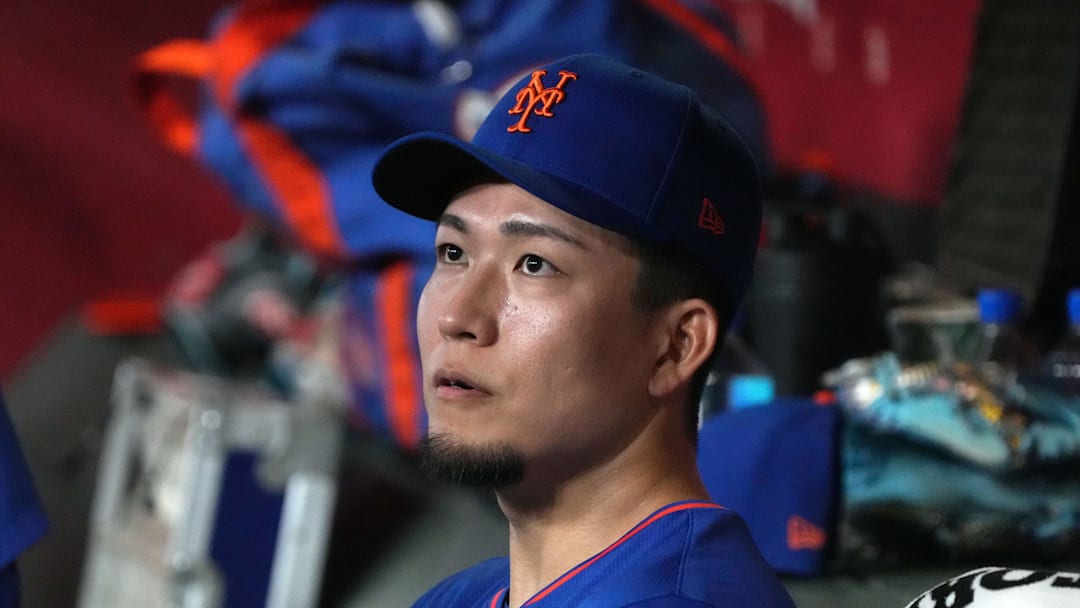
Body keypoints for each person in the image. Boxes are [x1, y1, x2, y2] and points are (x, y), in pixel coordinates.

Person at [371, 53, 795, 607]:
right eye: (453, 252)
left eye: (534, 264)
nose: (457, 318)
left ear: (676, 346)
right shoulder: (464, 597)